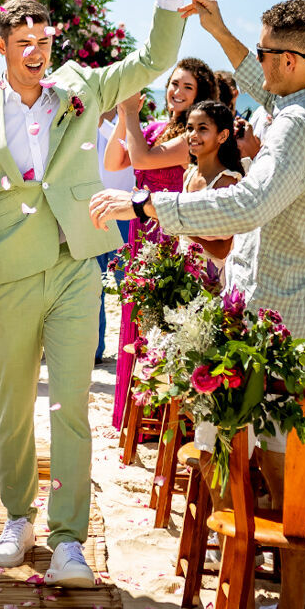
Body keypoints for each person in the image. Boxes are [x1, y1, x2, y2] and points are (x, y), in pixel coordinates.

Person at [93, 0, 305, 609]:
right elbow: (264, 88)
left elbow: (249, 201)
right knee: (285, 481)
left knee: (234, 472)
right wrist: (218, 29)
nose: (258, 65)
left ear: (296, 60)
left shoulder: (299, 125)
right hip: (298, 314)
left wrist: (146, 202)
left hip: (263, 319)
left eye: (268, 53)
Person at [0, 0, 193, 589]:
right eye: (22, 41)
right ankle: (18, 516)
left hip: (79, 265)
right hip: (9, 276)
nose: (35, 51)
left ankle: (70, 535)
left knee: (70, 404)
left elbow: (152, 62)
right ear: (0, 43)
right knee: (13, 402)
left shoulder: (81, 86)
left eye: (42, 39)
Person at [104, 57, 219, 429]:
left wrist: (133, 117)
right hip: (141, 232)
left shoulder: (193, 137)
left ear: (200, 94)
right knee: (138, 314)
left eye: (187, 86)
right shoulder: (154, 126)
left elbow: (142, 158)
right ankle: (135, 414)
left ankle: (161, 416)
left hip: (171, 232)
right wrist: (125, 113)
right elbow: (116, 160)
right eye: (173, 84)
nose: (177, 92)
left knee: (165, 318)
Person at [177, 100, 245, 260]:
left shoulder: (227, 183)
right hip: (184, 272)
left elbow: (222, 250)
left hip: (213, 277)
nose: (193, 135)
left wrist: (176, 224)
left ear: (222, 135)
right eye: (190, 128)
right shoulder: (189, 174)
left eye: (202, 129)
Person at [93, 108, 135, 363]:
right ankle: (94, 349)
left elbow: (123, 148)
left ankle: (131, 348)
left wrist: (102, 123)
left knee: (125, 286)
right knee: (91, 285)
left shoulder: (128, 126)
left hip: (124, 216)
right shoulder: (87, 125)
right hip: (94, 212)